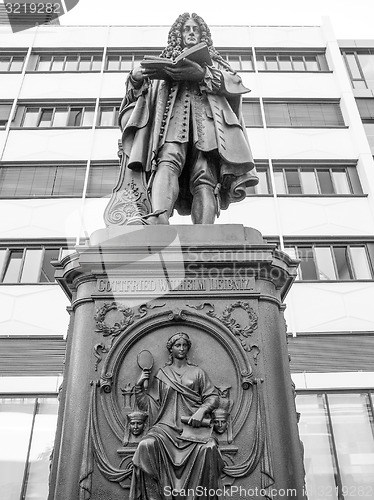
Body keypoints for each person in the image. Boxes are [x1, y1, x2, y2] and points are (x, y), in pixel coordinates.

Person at [118, 12, 258, 225]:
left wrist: (202, 74)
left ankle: (205, 230)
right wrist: (135, 78)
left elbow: (235, 83)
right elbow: (139, 95)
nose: (191, 32)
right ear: (178, 34)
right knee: (167, 161)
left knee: (205, 175)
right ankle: (160, 217)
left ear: (203, 35)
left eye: (196, 29)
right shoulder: (164, 60)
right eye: (186, 29)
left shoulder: (215, 63)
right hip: (171, 121)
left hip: (208, 124)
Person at [130, 332, 224, 500]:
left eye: (184, 345)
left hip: (192, 429)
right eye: (177, 345)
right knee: (145, 445)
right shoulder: (162, 374)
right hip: (165, 428)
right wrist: (139, 388)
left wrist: (201, 411)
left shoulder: (198, 373)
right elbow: (151, 406)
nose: (181, 348)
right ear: (170, 349)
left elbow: (213, 397)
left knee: (209, 448)